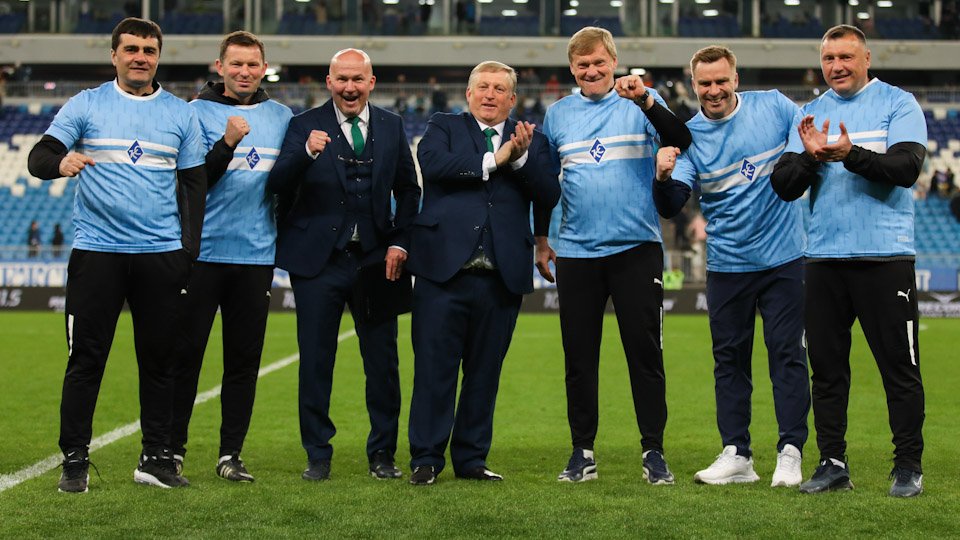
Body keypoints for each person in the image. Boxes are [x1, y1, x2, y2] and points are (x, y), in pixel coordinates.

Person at [26, 17, 205, 492]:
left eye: (149, 50)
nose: (140, 58)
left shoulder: (180, 114)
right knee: (86, 361)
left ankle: (156, 459)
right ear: (114, 55)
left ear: (158, 57)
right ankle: (74, 460)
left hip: (160, 255)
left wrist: (187, 252)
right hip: (97, 254)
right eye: (131, 49)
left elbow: (193, 186)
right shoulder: (86, 104)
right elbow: (38, 156)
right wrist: (60, 162)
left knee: (161, 362)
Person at [771, 25, 928, 498]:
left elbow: (905, 169)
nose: (837, 66)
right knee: (827, 371)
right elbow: (784, 185)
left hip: (885, 257)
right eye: (829, 58)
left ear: (866, 58)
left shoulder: (898, 103)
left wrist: (849, 154)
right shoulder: (811, 113)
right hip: (823, 260)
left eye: (846, 56)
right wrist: (812, 157)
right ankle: (832, 463)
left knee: (899, 369)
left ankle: (907, 466)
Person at [534, 26, 692, 484]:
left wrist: (645, 100)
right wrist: (542, 239)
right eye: (582, 65)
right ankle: (581, 452)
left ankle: (654, 451)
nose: (592, 71)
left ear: (614, 62)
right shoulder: (558, 115)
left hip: (636, 249)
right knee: (579, 359)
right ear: (572, 69)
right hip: (577, 253)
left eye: (599, 62)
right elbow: (544, 185)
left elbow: (682, 137)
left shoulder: (642, 100)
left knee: (645, 355)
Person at [655, 45, 810, 487]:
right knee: (729, 362)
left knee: (787, 355)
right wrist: (662, 176)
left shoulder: (775, 106)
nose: (714, 90)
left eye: (721, 80)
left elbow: (804, 144)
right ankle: (737, 453)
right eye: (705, 83)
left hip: (784, 259)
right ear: (693, 85)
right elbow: (671, 204)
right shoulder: (689, 137)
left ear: (735, 79)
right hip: (727, 265)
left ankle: (791, 451)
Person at [267, 48, 421, 482]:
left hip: (377, 261)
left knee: (383, 364)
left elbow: (409, 191)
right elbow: (277, 184)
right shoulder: (302, 125)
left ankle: (382, 454)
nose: (349, 88)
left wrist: (400, 241)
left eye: (357, 79)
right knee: (316, 362)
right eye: (342, 79)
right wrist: (306, 154)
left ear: (371, 83)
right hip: (319, 262)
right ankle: (317, 454)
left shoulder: (392, 125)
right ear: (329, 82)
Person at [405, 61, 560, 485]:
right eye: (483, 87)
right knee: (434, 370)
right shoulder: (443, 126)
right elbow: (433, 165)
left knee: (485, 373)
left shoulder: (533, 139)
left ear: (513, 99)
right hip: (443, 272)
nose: (490, 94)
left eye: (499, 89)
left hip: (501, 275)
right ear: (469, 94)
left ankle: (471, 459)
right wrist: (495, 159)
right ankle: (426, 459)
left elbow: (549, 193)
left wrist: (521, 159)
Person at [167, 31, 293, 483]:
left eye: (252, 64)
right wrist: (226, 144)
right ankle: (171, 451)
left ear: (264, 69)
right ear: (219, 67)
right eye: (235, 64)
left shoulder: (282, 117)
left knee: (243, 362)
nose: (244, 71)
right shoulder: (192, 113)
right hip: (200, 255)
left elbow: (290, 183)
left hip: (256, 257)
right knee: (185, 358)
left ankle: (231, 455)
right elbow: (190, 184)